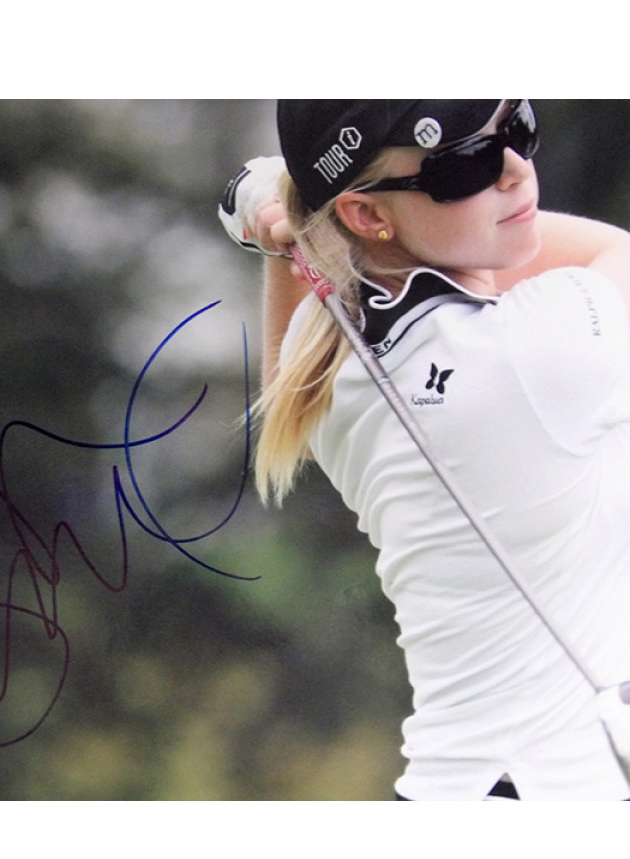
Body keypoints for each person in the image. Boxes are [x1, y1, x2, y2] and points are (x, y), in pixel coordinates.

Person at [219, 100, 630, 800]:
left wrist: (300, 222)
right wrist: (288, 206)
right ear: (366, 215)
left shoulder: (333, 366)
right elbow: (611, 249)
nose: (515, 170)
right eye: (465, 164)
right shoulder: (544, 348)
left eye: (516, 127)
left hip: (452, 790)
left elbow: (302, 319)